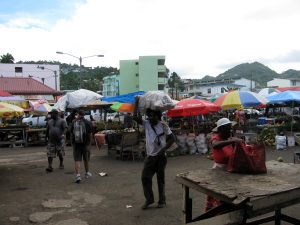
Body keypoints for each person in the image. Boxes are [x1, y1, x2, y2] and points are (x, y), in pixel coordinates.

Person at [134, 98, 175, 210]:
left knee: (160, 180)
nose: (151, 118)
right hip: (151, 157)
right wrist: (136, 103)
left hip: (161, 157)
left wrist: (164, 149)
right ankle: (149, 199)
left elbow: (172, 138)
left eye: (153, 116)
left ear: (158, 116)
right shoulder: (146, 124)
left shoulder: (163, 125)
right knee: (145, 177)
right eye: (149, 116)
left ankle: (162, 201)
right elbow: (135, 117)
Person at [205, 118, 243, 211]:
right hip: (219, 171)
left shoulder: (229, 138)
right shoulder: (215, 138)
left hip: (230, 170)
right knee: (219, 195)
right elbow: (215, 145)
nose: (230, 131)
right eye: (227, 129)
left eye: (230, 129)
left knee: (230, 195)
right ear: (220, 130)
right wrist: (232, 141)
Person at [70, 110, 93, 183]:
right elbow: (90, 134)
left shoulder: (74, 122)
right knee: (86, 159)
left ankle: (78, 176)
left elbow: (71, 133)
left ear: (78, 115)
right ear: (84, 115)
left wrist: (72, 143)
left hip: (76, 144)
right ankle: (87, 173)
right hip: (85, 144)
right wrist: (89, 143)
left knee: (77, 160)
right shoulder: (88, 122)